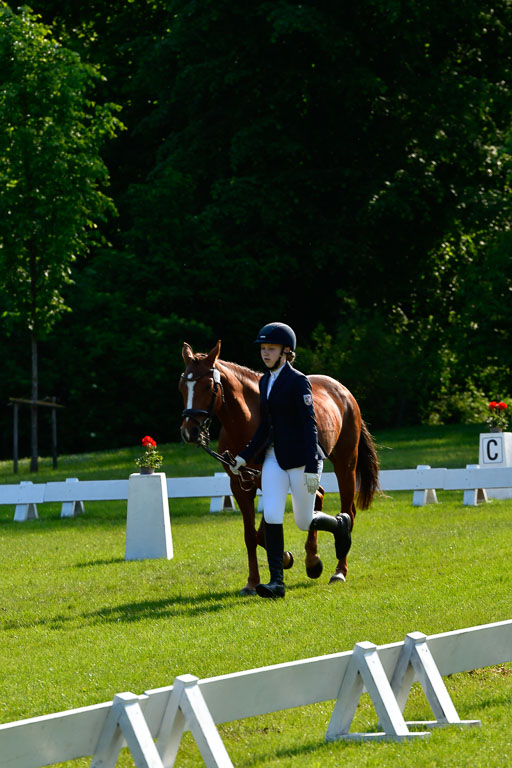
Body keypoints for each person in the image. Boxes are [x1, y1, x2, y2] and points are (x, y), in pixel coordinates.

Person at [231, 322, 351, 599]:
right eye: (263, 349)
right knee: (272, 515)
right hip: (273, 459)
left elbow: (309, 425)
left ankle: (340, 525)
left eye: (271, 349)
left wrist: (311, 466)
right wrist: (244, 457)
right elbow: (265, 426)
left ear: (286, 351)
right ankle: (277, 583)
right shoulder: (264, 381)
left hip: (300, 459)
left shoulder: (298, 381)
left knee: (303, 520)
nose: (265, 353)